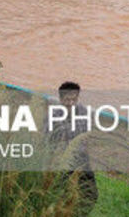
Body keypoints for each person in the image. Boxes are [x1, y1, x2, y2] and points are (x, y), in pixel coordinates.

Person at [48, 81, 99, 215]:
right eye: (67, 99)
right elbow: (48, 142)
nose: (71, 103)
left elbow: (85, 136)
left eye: (74, 99)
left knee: (91, 195)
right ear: (60, 99)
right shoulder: (53, 116)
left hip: (81, 159)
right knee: (59, 196)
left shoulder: (83, 111)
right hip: (62, 161)